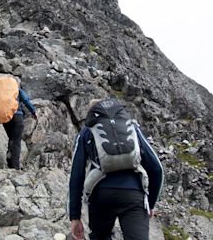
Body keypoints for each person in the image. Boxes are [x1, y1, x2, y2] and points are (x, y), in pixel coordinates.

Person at [67, 98, 163, 240]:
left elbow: (76, 176)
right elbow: (156, 168)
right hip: (133, 194)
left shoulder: (86, 132)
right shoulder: (131, 127)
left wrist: (75, 216)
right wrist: (151, 202)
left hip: (101, 195)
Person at [0, 84, 37, 169]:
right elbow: (26, 100)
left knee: (11, 138)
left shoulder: (0, 94)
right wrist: (33, 112)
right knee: (16, 141)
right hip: (17, 117)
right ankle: (15, 167)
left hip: (6, 118)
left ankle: (9, 161)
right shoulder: (16, 89)